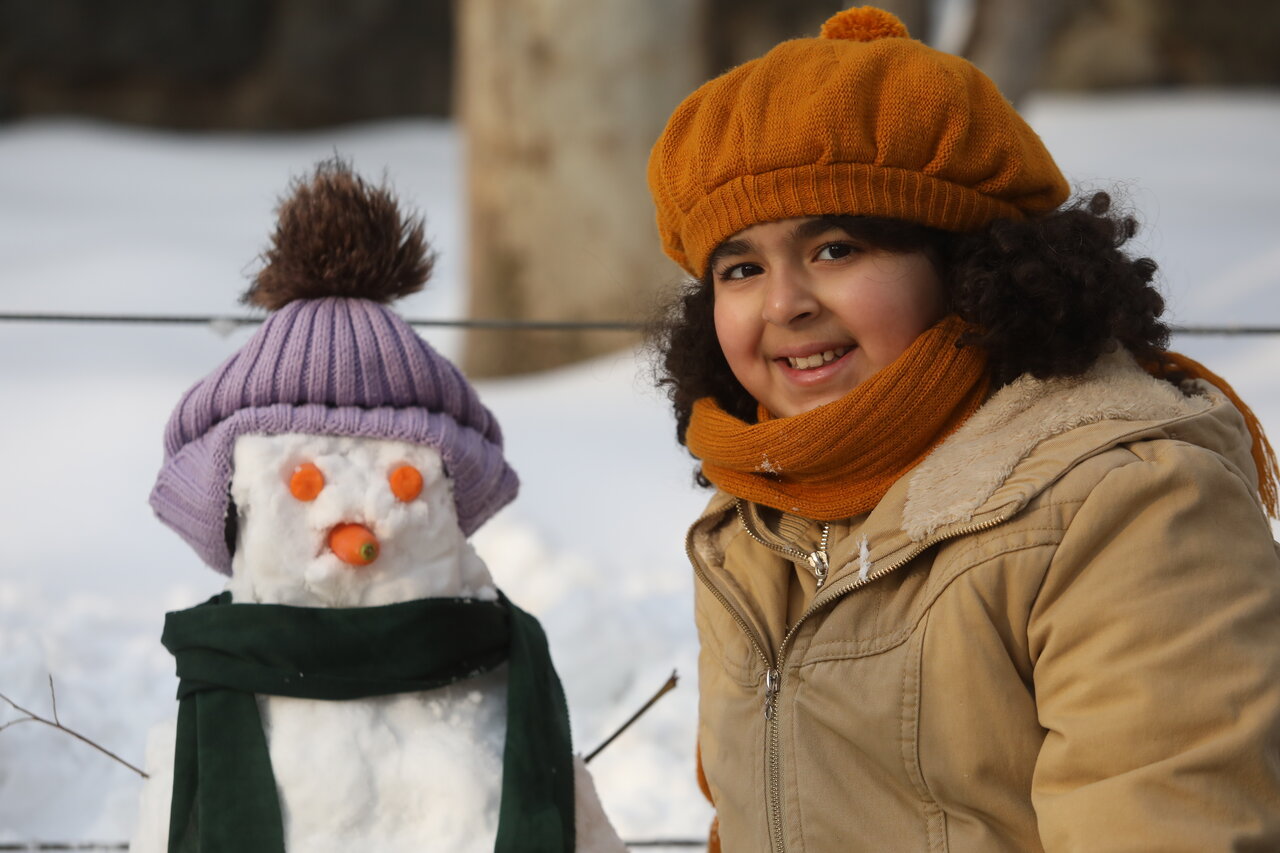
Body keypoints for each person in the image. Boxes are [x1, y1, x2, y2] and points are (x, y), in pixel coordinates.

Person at [646, 6, 1280, 851]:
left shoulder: (1126, 505)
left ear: (969, 268)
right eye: (741, 267)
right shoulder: (753, 525)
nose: (783, 302)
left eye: (837, 248)